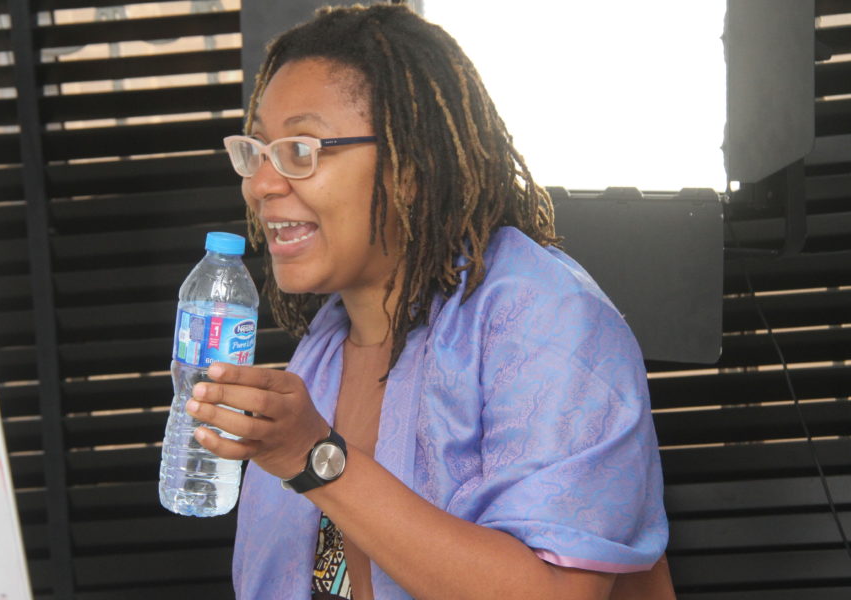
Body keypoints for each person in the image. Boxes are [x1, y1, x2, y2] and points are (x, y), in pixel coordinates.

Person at [185, 4, 673, 599]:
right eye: (258, 151)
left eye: (300, 150)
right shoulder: (326, 349)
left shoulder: (550, 322)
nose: (261, 184)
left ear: (410, 164)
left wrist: (313, 456)